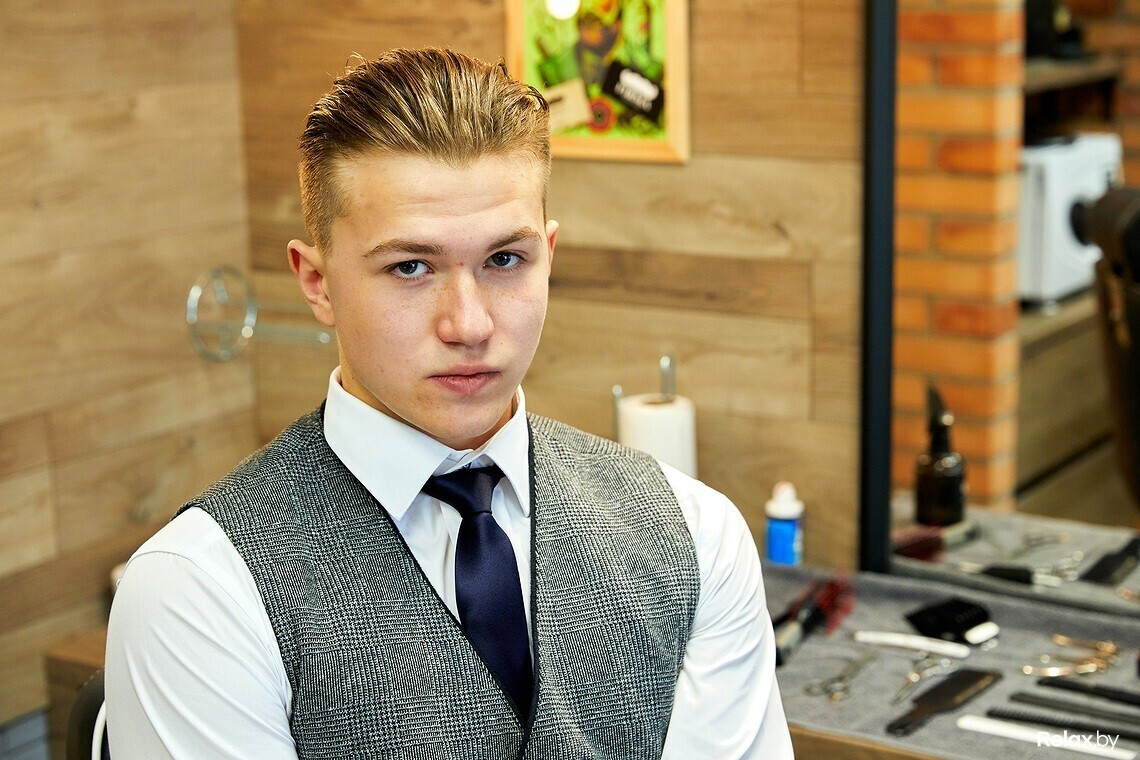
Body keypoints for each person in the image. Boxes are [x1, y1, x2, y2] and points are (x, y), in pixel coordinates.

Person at [105, 47, 792, 759]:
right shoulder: (197, 590)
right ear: (317, 282)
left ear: (549, 257)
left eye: (504, 260)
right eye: (410, 267)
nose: (469, 325)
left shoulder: (698, 537)